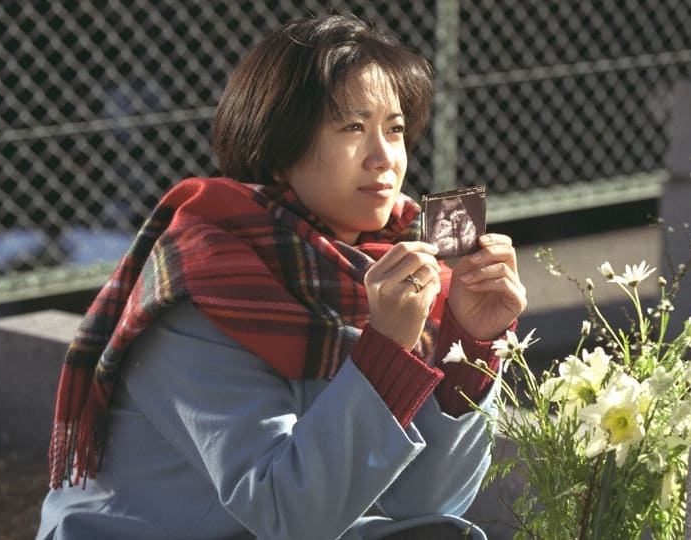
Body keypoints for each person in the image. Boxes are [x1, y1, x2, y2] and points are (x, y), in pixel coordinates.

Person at [36, 13, 526, 540]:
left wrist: (470, 347)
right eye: (352, 128)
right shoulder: (207, 285)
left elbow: (426, 500)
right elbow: (286, 515)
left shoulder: (380, 269)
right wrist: (384, 350)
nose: (384, 158)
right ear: (277, 145)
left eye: (395, 129)